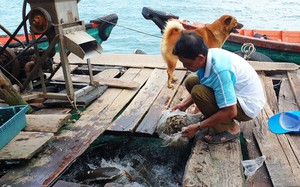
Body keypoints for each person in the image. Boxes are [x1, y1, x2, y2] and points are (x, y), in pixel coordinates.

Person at [171, 32, 265, 144]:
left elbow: (231, 111)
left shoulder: (220, 71)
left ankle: (231, 129)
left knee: (198, 92)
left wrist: (198, 127)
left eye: (187, 63)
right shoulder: (208, 56)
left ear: (200, 58)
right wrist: (184, 105)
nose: (184, 66)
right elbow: (204, 82)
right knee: (191, 82)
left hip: (247, 107)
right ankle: (213, 118)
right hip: (236, 94)